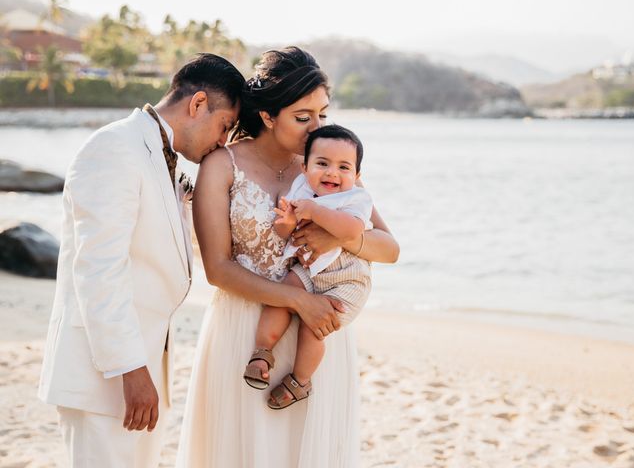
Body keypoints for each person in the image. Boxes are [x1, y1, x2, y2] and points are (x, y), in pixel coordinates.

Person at [177, 46, 399, 467]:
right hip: (244, 330)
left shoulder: (326, 167)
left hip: (317, 335)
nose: (317, 127)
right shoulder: (221, 166)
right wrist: (300, 300)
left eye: (323, 115)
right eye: (303, 117)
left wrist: (341, 241)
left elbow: (389, 248)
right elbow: (217, 269)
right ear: (267, 116)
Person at [38, 53, 244, 468]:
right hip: (104, 377)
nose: (223, 141)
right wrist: (131, 370)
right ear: (198, 104)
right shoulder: (115, 147)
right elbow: (98, 269)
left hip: (144, 370)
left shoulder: (160, 157)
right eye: (224, 126)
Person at [244, 124, 374, 411]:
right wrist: (288, 223)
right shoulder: (300, 190)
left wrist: (315, 211)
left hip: (346, 277)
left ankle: (300, 381)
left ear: (357, 176)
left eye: (344, 167)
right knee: (283, 293)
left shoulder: (356, 198)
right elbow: (282, 232)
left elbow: (352, 230)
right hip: (309, 267)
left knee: (313, 324)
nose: (332, 173)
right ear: (305, 167)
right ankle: (262, 352)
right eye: (322, 164)